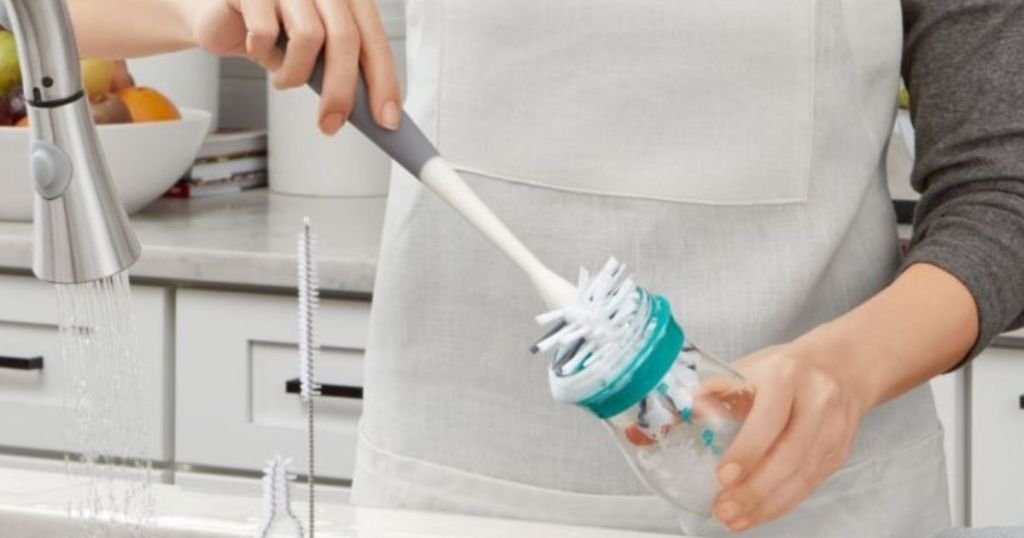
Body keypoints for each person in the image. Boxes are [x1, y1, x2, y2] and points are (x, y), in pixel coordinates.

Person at [66, 0, 1024, 536]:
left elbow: (1003, 191)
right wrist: (203, 7)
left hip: (822, 500)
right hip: (461, 493)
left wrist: (842, 374)